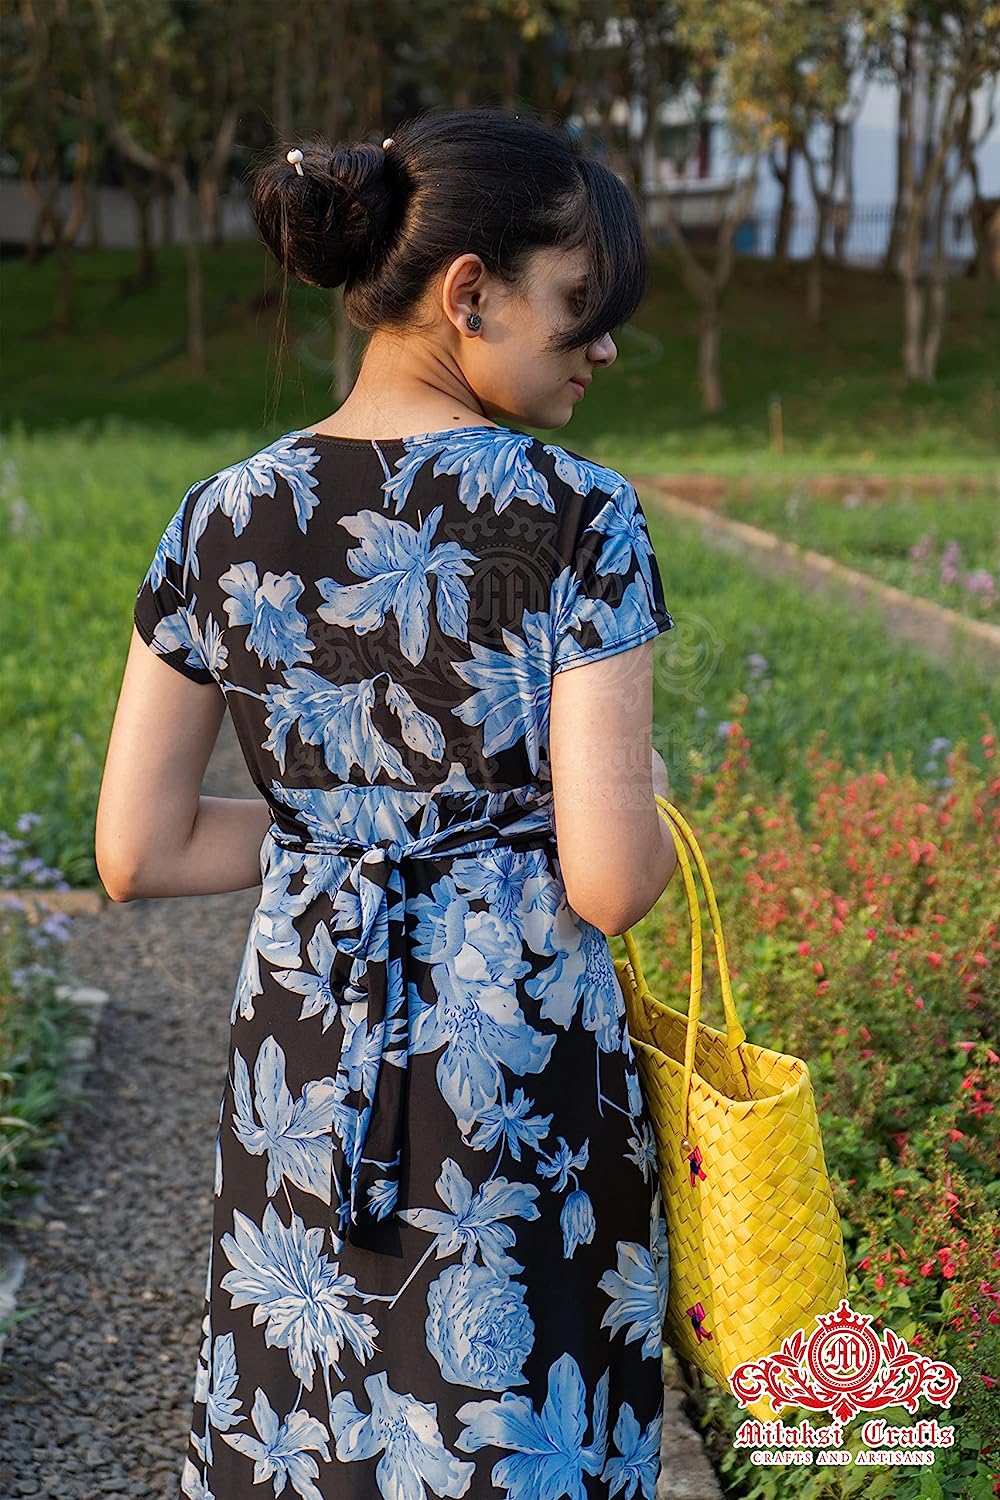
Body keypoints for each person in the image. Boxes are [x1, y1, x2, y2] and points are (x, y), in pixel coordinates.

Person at [95, 103, 679, 1500]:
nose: (603, 348)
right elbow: (610, 880)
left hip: (306, 1042)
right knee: (513, 1405)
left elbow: (141, 851)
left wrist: (350, 829)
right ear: (468, 291)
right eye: (581, 308)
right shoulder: (581, 515)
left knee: (314, 1405)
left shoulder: (218, 516)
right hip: (512, 1058)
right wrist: (638, 796)